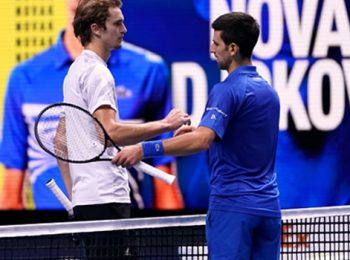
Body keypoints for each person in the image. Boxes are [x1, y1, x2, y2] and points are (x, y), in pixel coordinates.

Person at [113, 12, 281, 259]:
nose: (212, 49)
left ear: (232, 48)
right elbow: (244, 138)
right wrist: (205, 133)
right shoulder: (268, 91)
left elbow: (201, 141)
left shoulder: (227, 89)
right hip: (268, 210)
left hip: (233, 210)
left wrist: (143, 149)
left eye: (216, 43)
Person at [0, 0, 184, 211]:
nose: (124, 30)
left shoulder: (76, 71)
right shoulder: (97, 73)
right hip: (107, 205)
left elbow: (61, 139)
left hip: (87, 207)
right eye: (118, 24)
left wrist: (74, 197)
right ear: (96, 29)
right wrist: (167, 125)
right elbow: (108, 131)